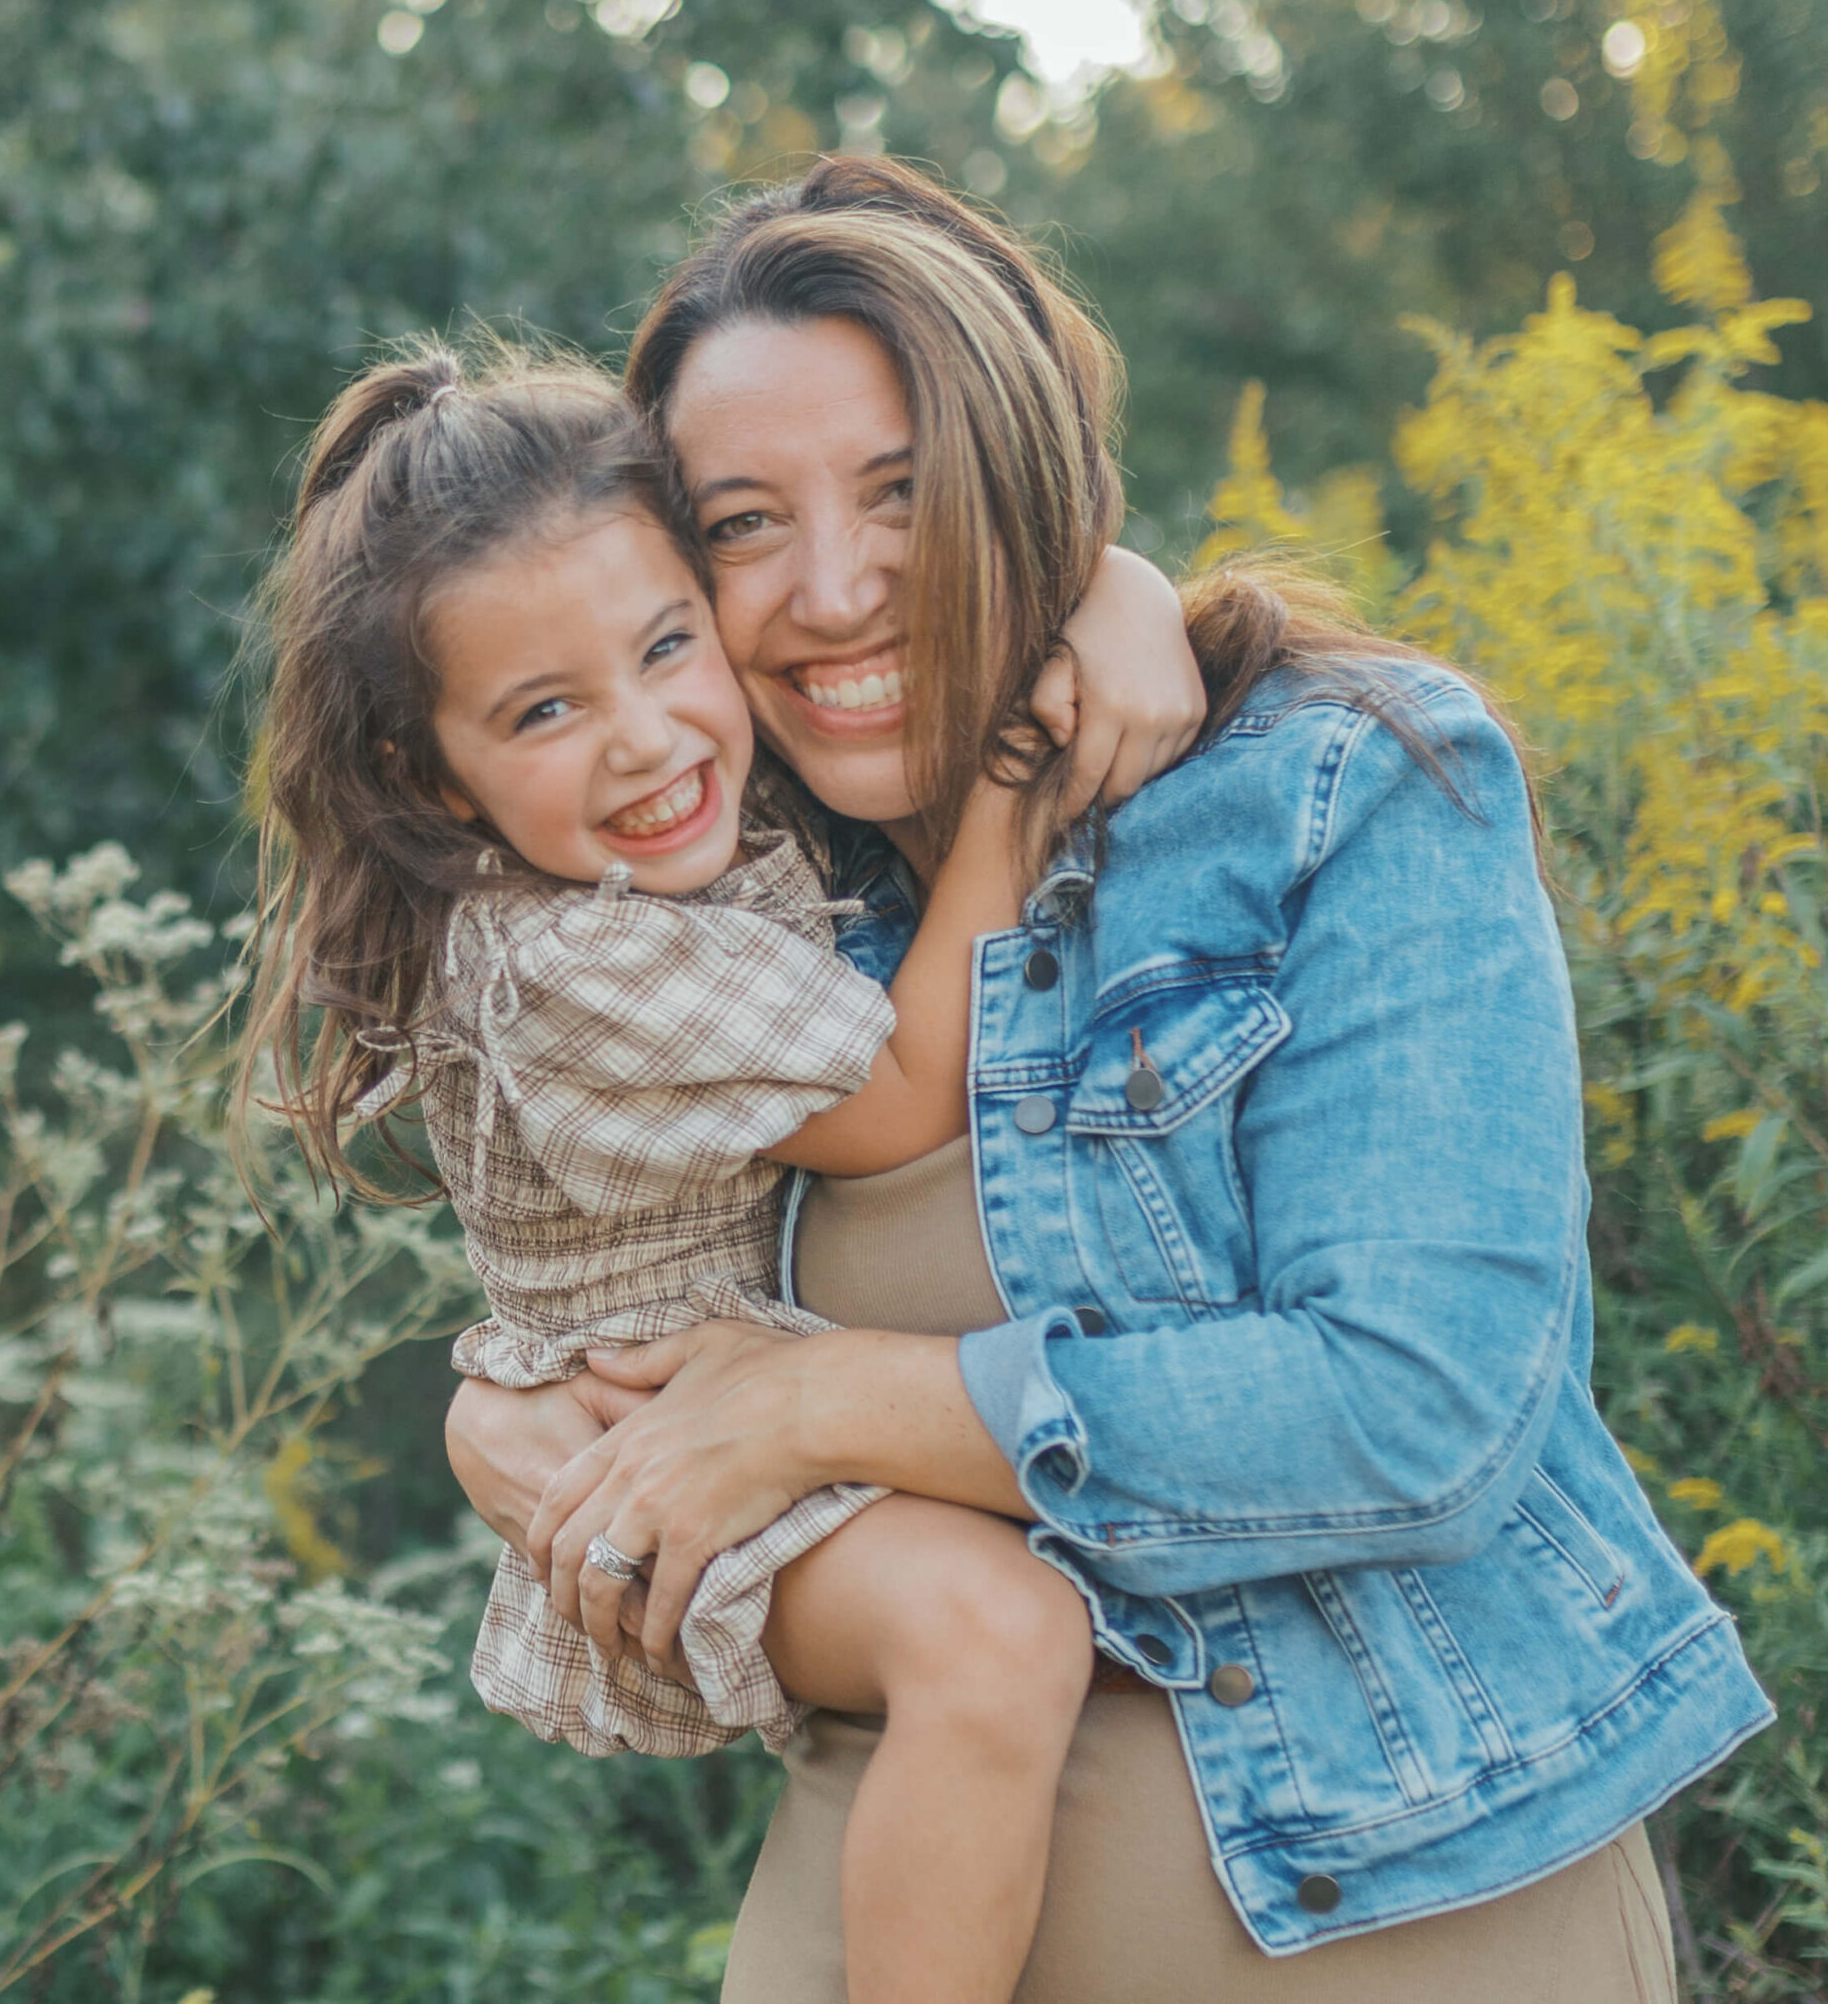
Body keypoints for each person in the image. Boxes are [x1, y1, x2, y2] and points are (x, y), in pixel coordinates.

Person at [447, 155, 1776, 2002]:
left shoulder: (1339, 790)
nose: (832, 590)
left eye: (905, 494)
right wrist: (503, 1420)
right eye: (742, 524)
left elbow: (1416, 1406)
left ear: (1027, 479)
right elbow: (594, 1304)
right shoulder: (731, 897)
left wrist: (822, 1408)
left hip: (1405, 1921)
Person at [237, 341, 1199, 2004]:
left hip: (741, 1419)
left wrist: (1114, 589)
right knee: (994, 1636)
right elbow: (899, 1098)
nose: (643, 738)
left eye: (667, 644)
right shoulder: (575, 960)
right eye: (545, 710)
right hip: (648, 1446)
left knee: (1027, 1586)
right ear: (429, 777)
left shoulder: (695, 845)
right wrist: (1012, 790)